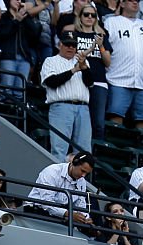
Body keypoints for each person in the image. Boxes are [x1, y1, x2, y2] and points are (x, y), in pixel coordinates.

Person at [104, 0, 143, 130]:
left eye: (137, 1)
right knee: (115, 117)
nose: (135, 3)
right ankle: (112, 149)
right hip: (118, 78)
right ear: (122, 4)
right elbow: (104, 48)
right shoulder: (111, 22)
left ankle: (142, 149)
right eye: (131, 0)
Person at [41, 33, 92, 161]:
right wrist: (73, 70)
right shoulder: (51, 61)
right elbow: (51, 82)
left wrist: (84, 68)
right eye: (67, 44)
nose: (70, 48)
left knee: (83, 151)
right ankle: (56, 180)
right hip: (61, 106)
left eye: (73, 45)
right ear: (60, 45)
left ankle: (80, 180)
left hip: (83, 107)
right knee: (59, 148)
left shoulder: (82, 60)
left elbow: (90, 83)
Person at [25, 151, 95, 230]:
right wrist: (69, 214)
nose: (83, 175)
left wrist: (86, 218)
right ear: (73, 163)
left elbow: (81, 205)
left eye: (87, 173)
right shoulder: (52, 171)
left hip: (60, 216)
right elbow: (46, 203)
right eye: (82, 171)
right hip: (37, 211)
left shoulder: (82, 181)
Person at [72, 5, 110, 142]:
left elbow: (108, 62)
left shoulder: (101, 36)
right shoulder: (74, 35)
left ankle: (95, 152)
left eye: (93, 15)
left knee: (98, 122)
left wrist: (100, 46)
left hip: (99, 81)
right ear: (80, 17)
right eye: (86, 14)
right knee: (80, 120)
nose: (89, 17)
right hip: (78, 80)